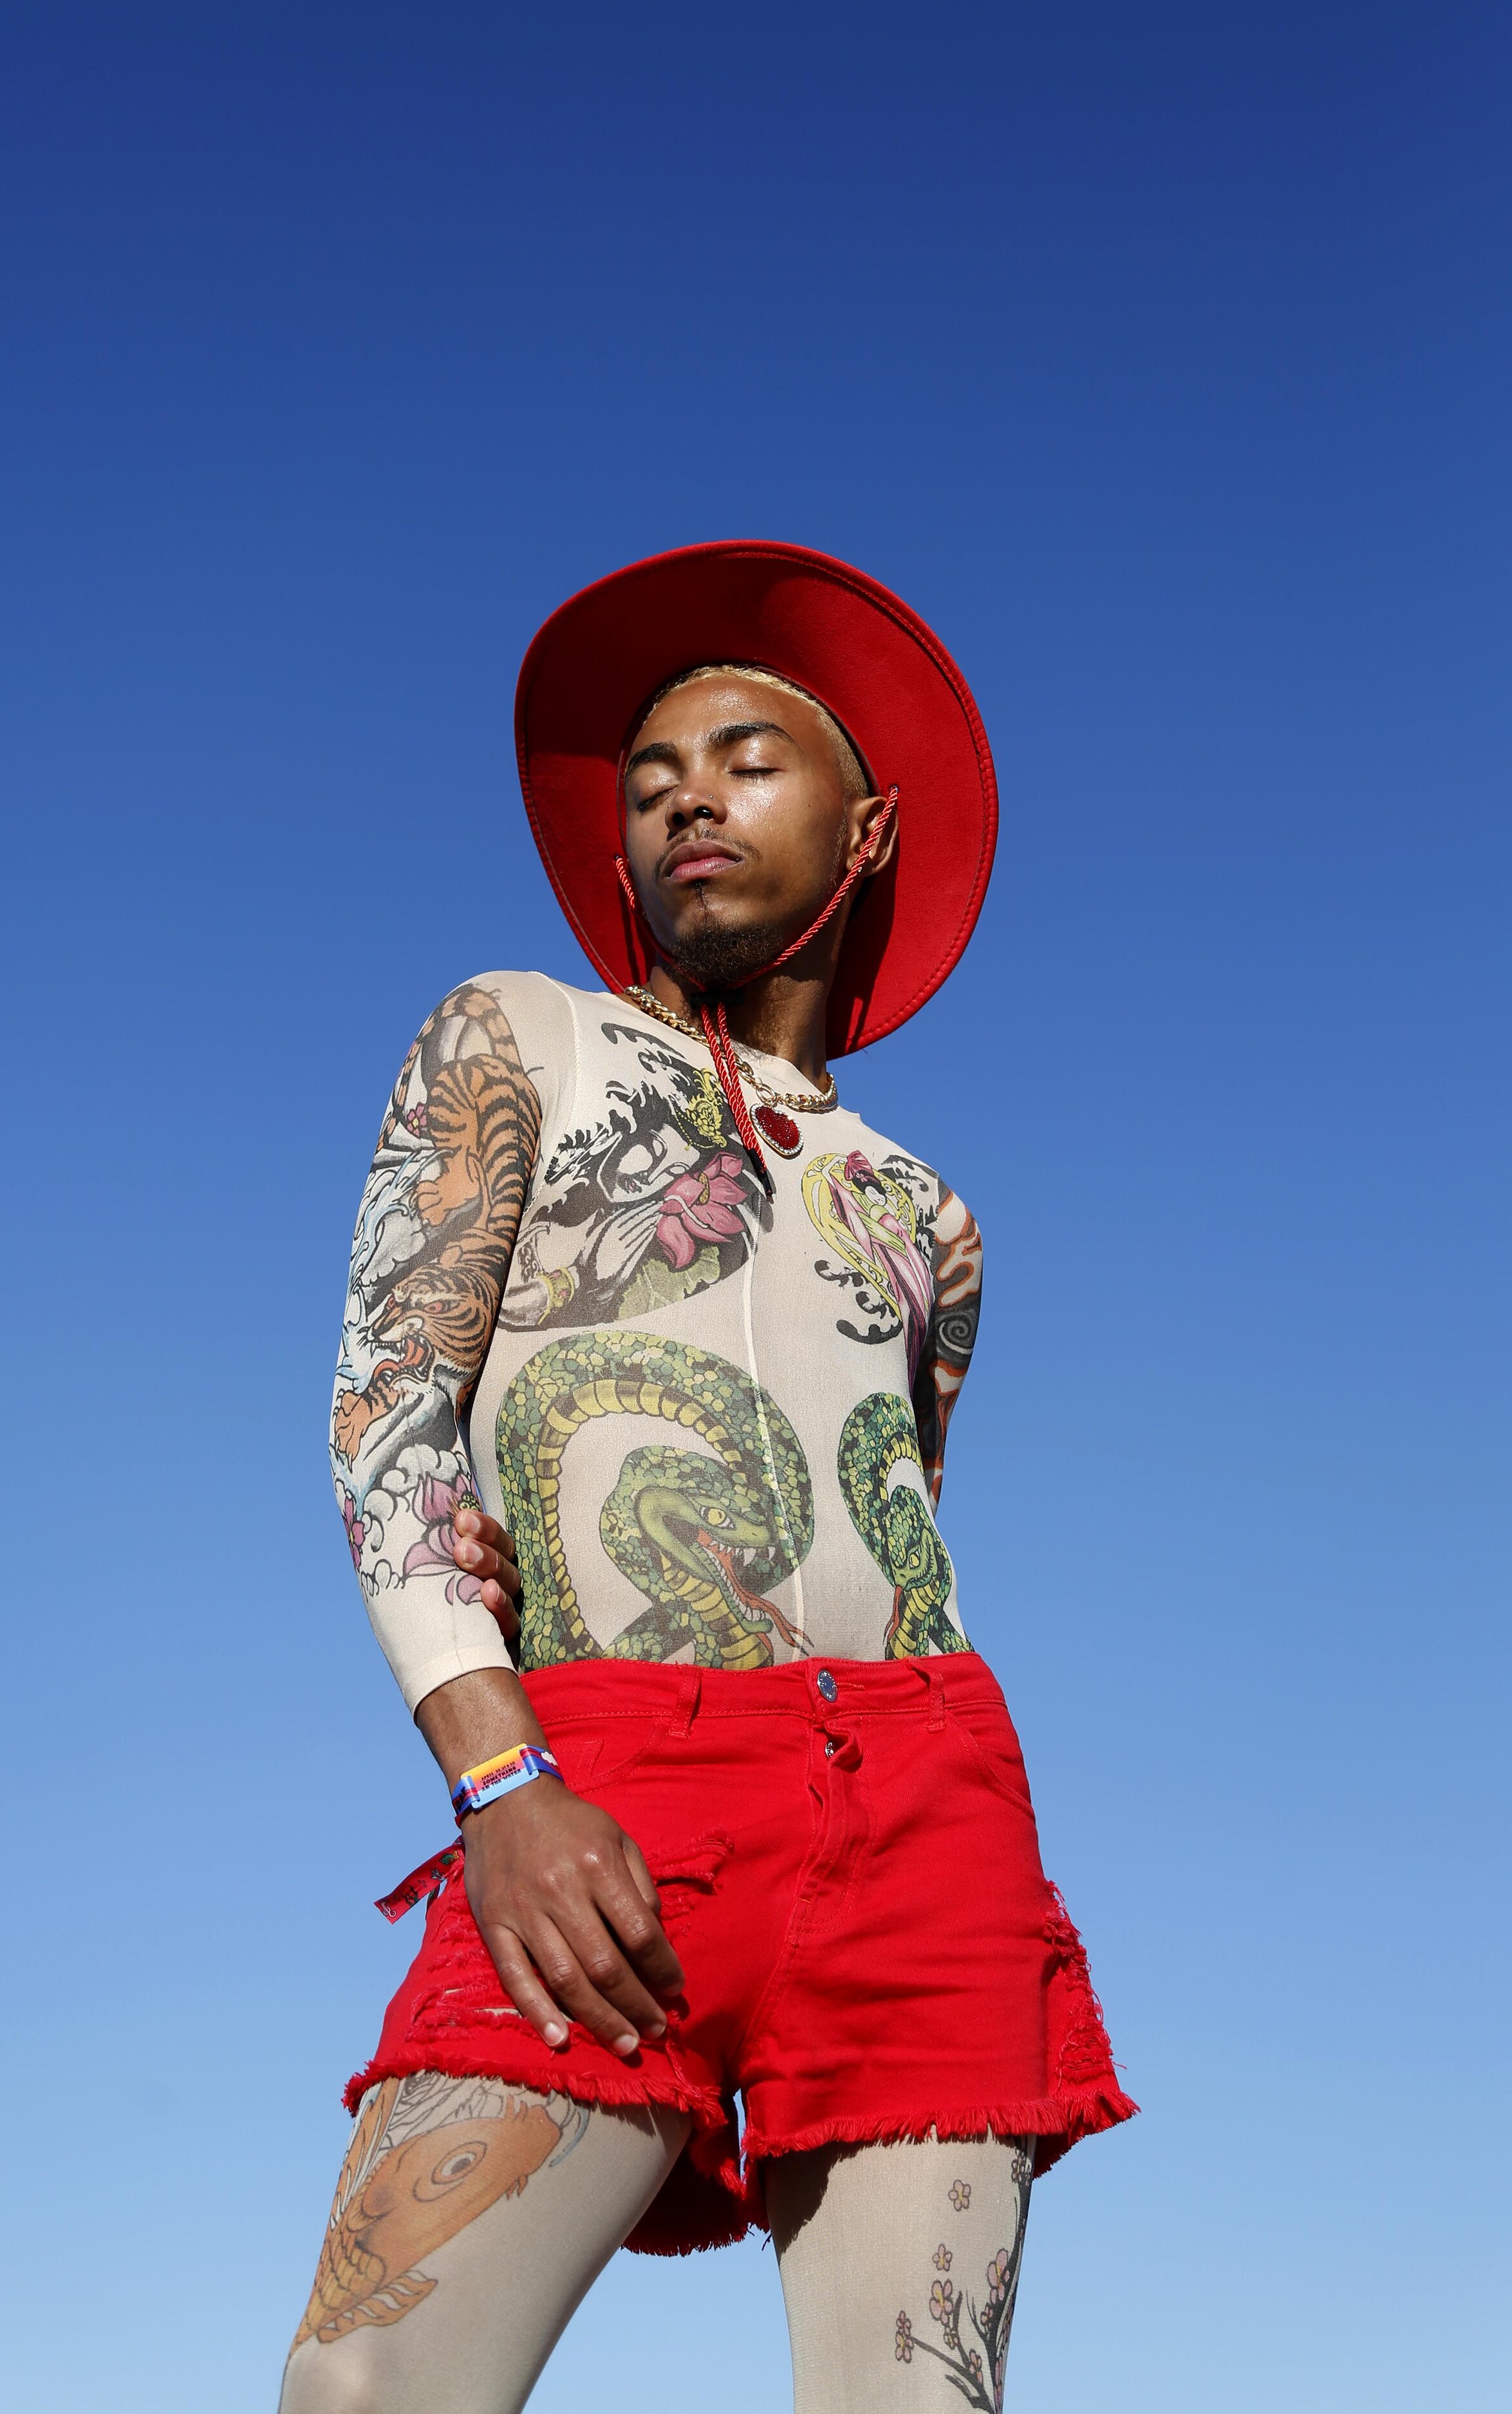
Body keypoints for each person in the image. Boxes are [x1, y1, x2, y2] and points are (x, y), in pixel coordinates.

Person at [281, 542, 1135, 2414]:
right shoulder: (512, 1034)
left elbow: (887, 1513)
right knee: (369, 2390)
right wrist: (496, 1766)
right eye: (653, 778)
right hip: (600, 1775)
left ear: (868, 822)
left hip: (923, 1797)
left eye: (742, 757)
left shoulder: (933, 1217)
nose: (684, 797)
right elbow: (386, 1414)